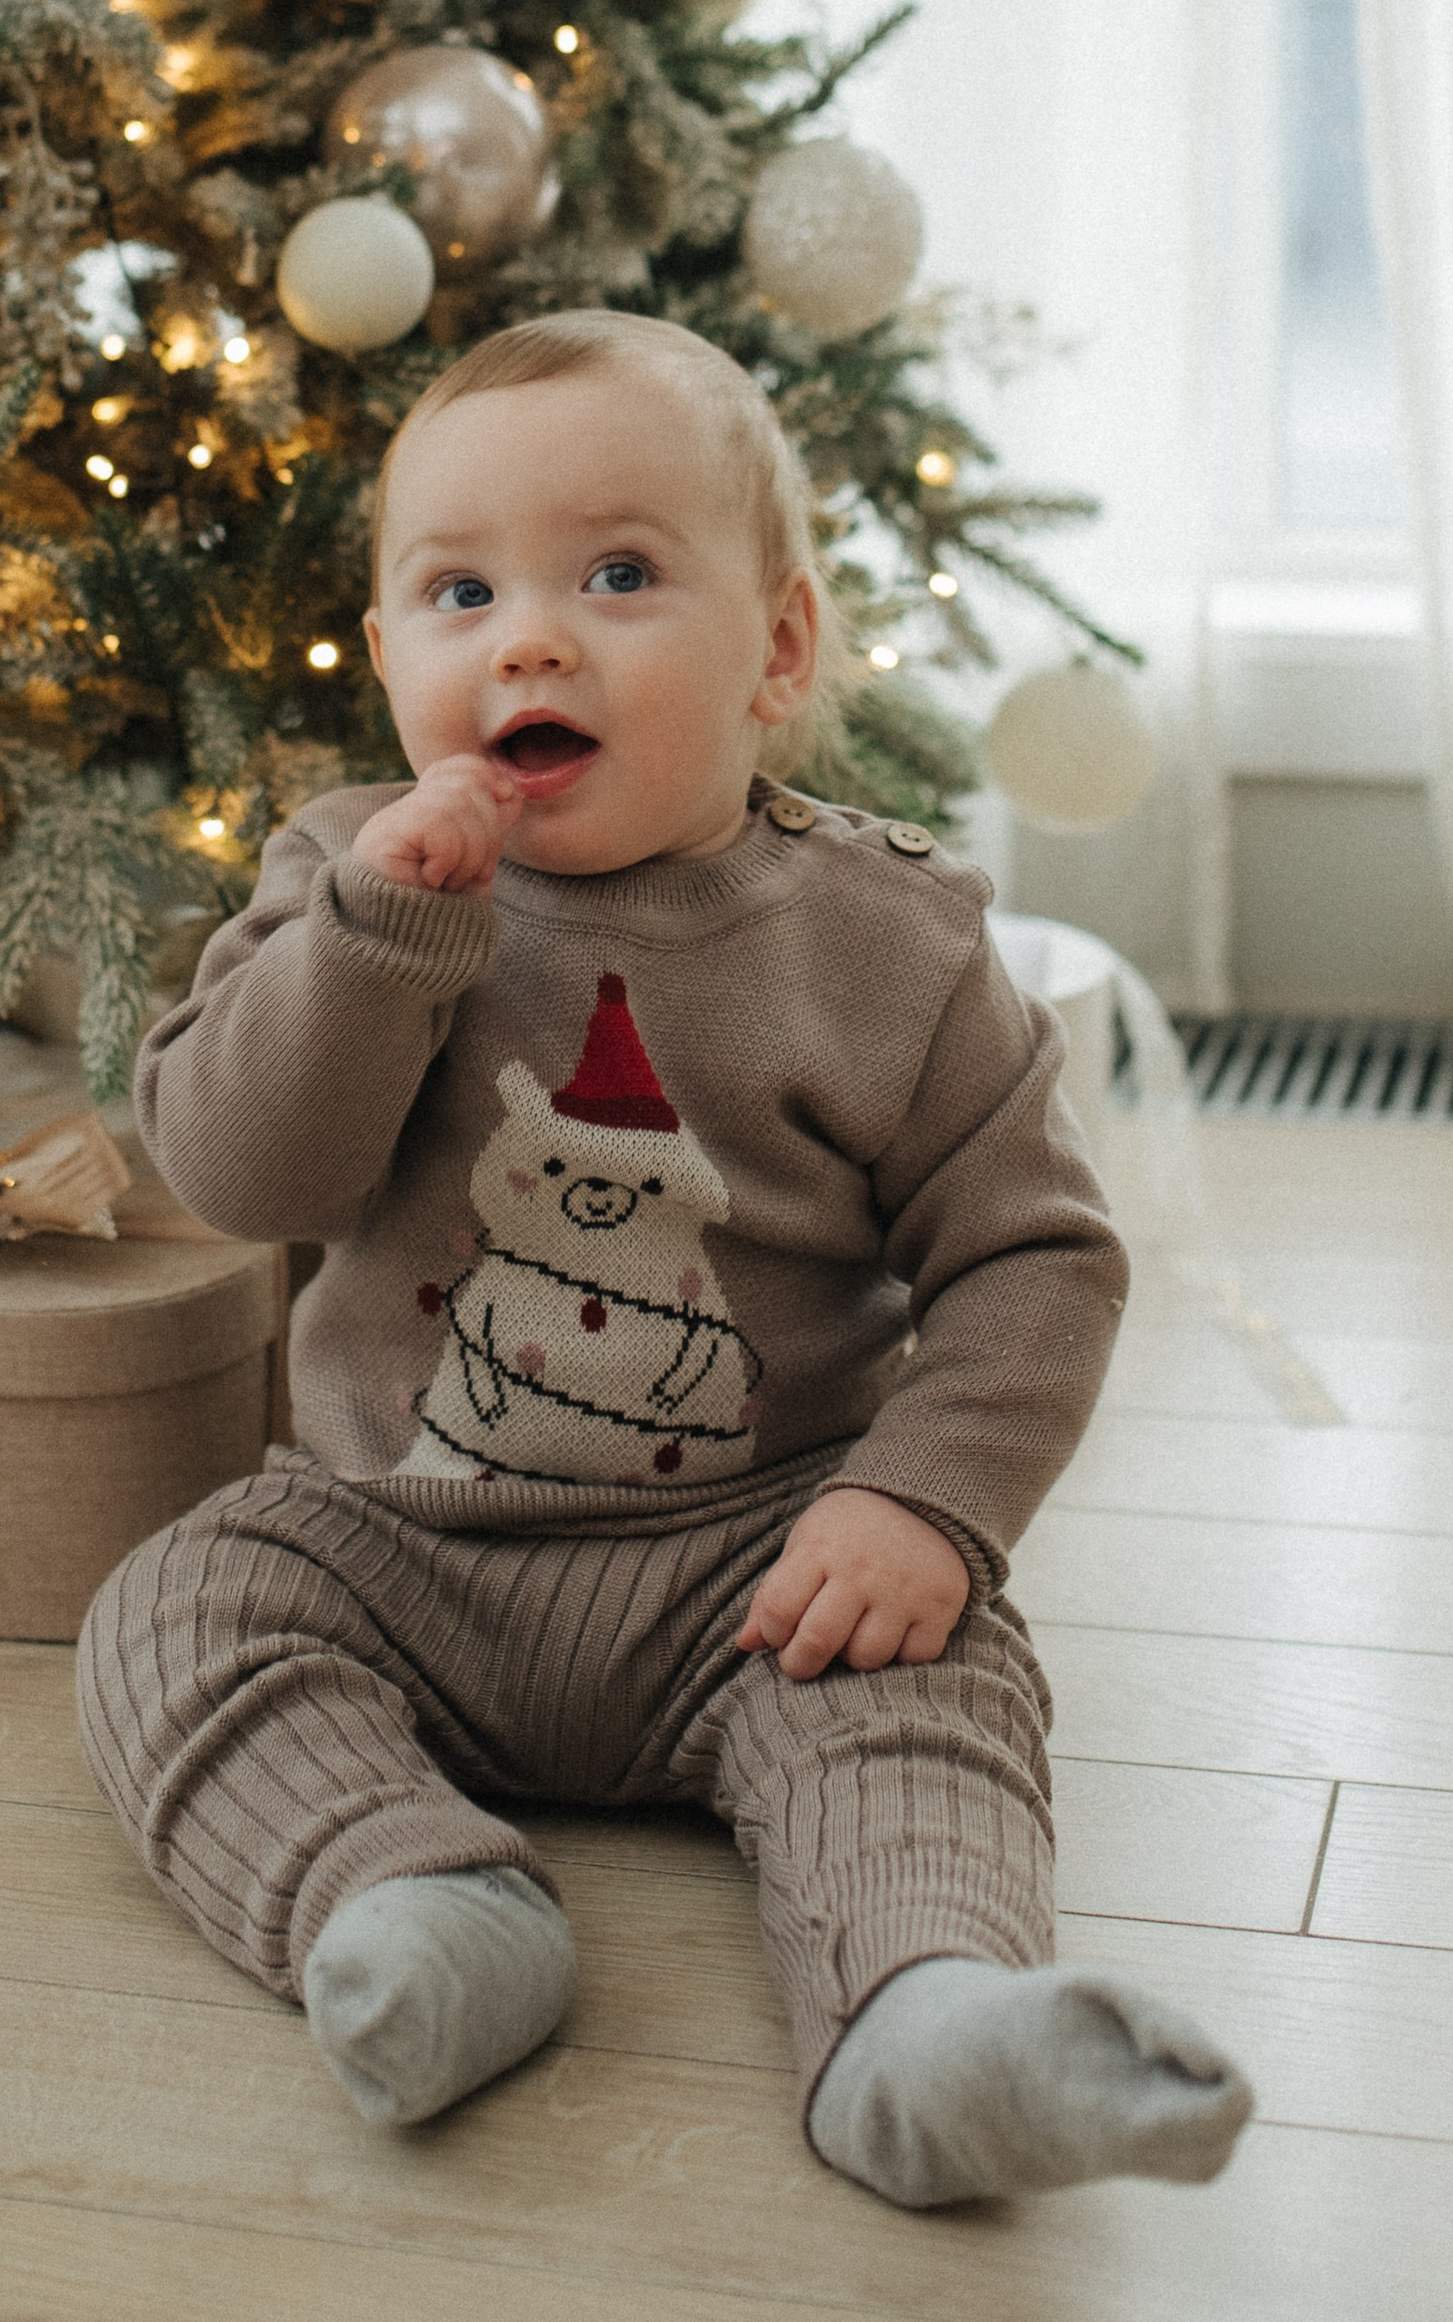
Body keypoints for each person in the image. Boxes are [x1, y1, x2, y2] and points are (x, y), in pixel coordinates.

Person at [77, 309, 1253, 2208]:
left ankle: (927, 2023)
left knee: (930, 1695)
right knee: (169, 1613)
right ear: (387, 657)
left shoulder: (888, 940)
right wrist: (377, 937)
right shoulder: (336, 878)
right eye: (459, 592)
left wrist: (925, 1506)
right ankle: (413, 1901)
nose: (529, 637)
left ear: (777, 646)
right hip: (398, 1537)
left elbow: (1036, 1257)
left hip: (765, 1559)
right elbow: (244, 1173)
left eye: (619, 573)